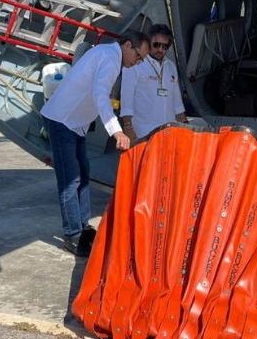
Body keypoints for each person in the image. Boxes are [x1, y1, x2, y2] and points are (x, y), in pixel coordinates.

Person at [41, 31, 150, 256]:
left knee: (83, 173)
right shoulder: (110, 59)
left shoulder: (108, 55)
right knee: (70, 180)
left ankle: (83, 226)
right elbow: (101, 96)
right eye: (138, 56)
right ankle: (73, 235)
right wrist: (117, 131)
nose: (137, 62)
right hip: (63, 121)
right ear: (128, 45)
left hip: (74, 123)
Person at [119, 24, 186, 141]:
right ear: (148, 42)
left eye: (165, 46)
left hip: (168, 133)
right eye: (156, 45)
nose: (160, 49)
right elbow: (126, 98)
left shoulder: (171, 66)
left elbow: (177, 103)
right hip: (143, 133)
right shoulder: (134, 63)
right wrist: (128, 127)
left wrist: (185, 127)